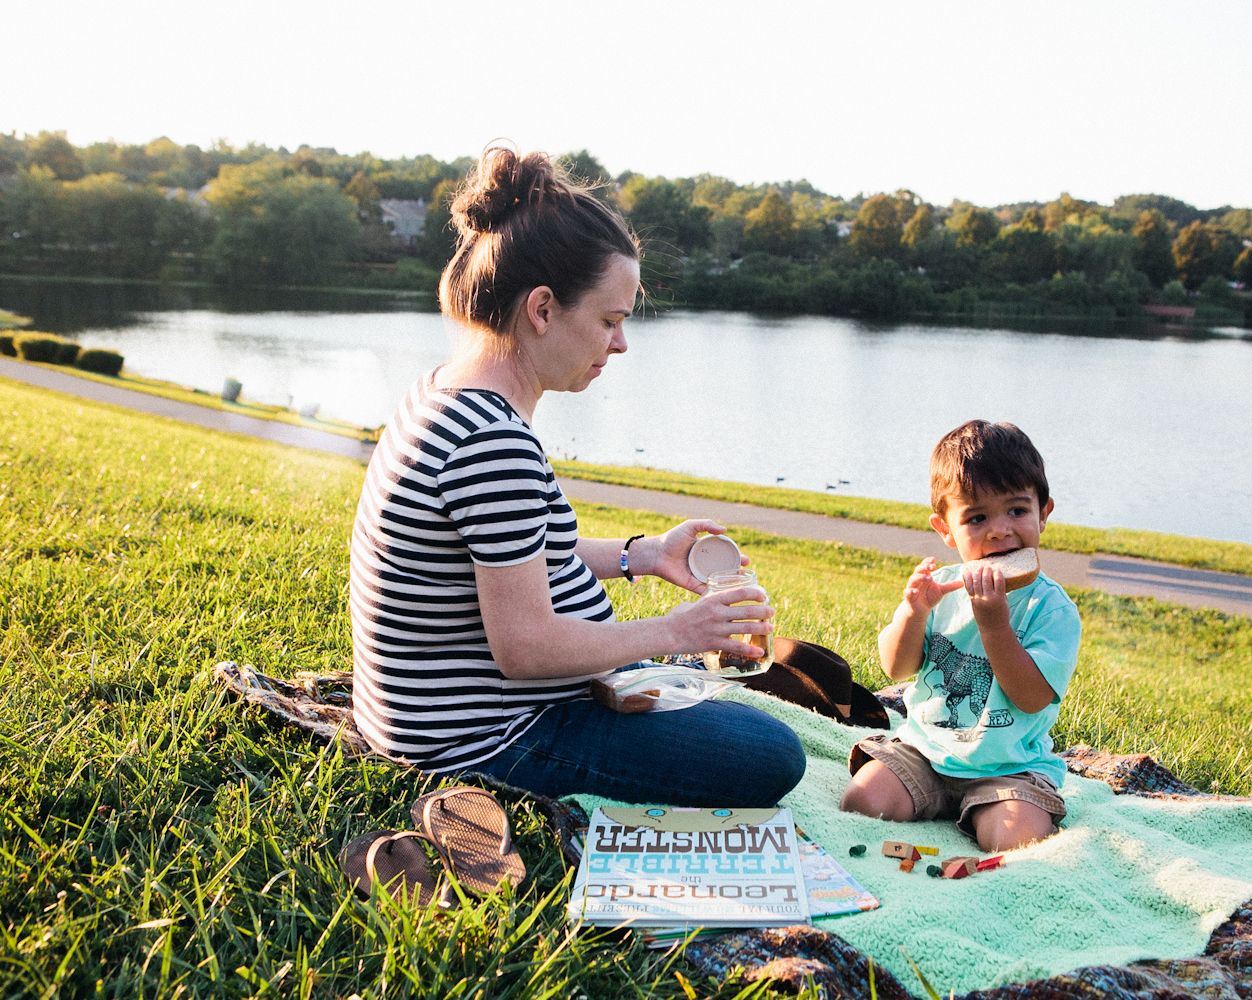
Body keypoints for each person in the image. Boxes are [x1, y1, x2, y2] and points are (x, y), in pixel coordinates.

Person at [349, 144, 805, 806]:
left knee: (710, 686)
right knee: (769, 754)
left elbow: (520, 554)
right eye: (609, 320)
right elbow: (526, 649)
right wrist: (677, 631)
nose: (619, 344)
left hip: (437, 716)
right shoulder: (491, 442)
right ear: (542, 309)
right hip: (488, 738)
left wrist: (642, 555)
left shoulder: (445, 392)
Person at [839, 420, 1081, 852]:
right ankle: (929, 802)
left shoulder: (1052, 609)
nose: (999, 529)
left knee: (1017, 842)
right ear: (946, 529)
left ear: (1044, 513)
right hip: (926, 750)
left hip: (1010, 768)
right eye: (976, 517)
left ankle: (988, 814)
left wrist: (994, 625)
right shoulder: (944, 590)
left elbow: (1030, 697)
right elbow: (896, 666)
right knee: (862, 800)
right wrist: (914, 612)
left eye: (1017, 510)